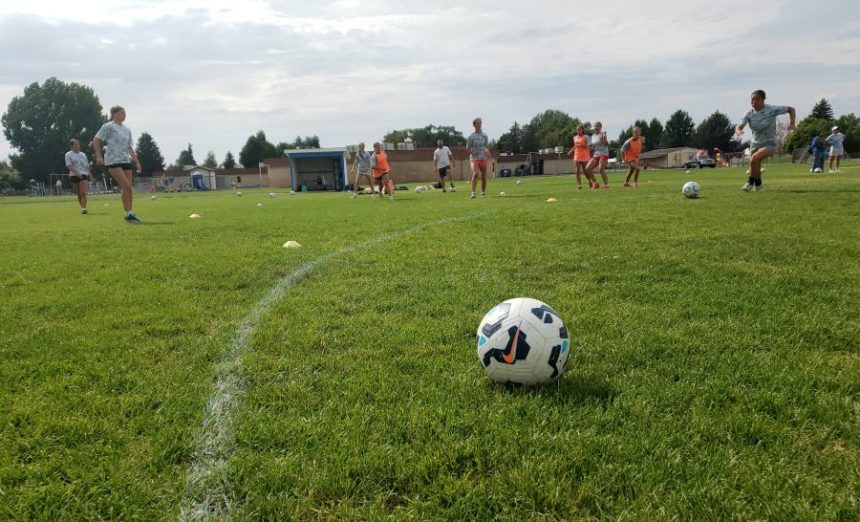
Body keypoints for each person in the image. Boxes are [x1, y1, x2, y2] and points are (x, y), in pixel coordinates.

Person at [735, 90, 796, 192]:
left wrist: (792, 123)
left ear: (763, 100)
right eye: (752, 100)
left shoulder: (771, 109)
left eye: (757, 99)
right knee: (755, 164)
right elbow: (739, 126)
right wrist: (738, 131)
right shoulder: (749, 114)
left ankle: (749, 183)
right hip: (755, 143)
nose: (754, 102)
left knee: (754, 159)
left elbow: (791, 109)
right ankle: (758, 184)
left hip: (769, 143)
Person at [93, 106, 143, 222]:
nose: (124, 114)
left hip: (125, 160)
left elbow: (129, 147)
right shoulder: (108, 127)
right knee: (126, 186)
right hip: (113, 161)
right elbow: (96, 140)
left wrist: (137, 162)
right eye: (122, 112)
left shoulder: (127, 130)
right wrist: (99, 155)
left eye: (125, 112)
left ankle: (130, 212)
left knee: (128, 189)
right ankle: (127, 214)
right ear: (114, 114)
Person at [65, 139, 91, 213]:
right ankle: (82, 207)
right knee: (78, 193)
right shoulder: (68, 154)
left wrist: (89, 173)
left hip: (83, 174)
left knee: (83, 192)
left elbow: (87, 165)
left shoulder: (83, 154)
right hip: (74, 175)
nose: (77, 146)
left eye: (78, 144)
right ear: (71, 146)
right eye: (75, 144)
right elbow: (69, 165)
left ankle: (84, 208)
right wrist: (77, 173)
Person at [466, 117, 490, 198]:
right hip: (474, 158)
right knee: (476, 174)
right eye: (477, 123)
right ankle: (473, 192)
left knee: (483, 177)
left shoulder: (485, 136)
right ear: (474, 125)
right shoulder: (471, 136)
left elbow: (486, 147)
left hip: (483, 158)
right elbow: (467, 148)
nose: (479, 125)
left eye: (480, 123)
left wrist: (488, 152)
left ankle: (483, 192)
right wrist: (472, 152)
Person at [567, 125, 596, 189]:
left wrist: (584, 146)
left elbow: (590, 147)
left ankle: (590, 181)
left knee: (586, 171)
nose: (578, 131)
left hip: (585, 155)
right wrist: (570, 151)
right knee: (577, 170)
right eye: (577, 130)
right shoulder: (574, 137)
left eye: (579, 129)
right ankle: (579, 185)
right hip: (577, 155)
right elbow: (575, 146)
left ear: (582, 130)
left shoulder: (586, 137)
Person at [584, 121, 610, 189]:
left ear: (600, 127)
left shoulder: (603, 134)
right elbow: (593, 147)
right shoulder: (593, 136)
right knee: (587, 169)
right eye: (595, 126)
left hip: (604, 154)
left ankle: (606, 185)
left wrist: (604, 137)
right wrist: (589, 147)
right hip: (596, 155)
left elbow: (606, 144)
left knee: (601, 169)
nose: (596, 128)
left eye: (597, 126)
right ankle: (595, 183)